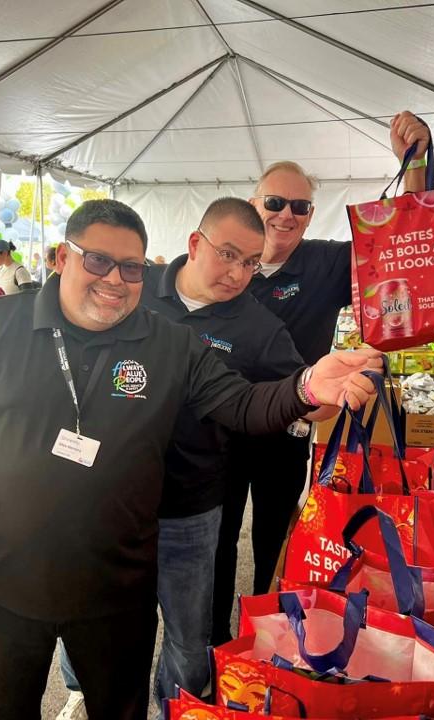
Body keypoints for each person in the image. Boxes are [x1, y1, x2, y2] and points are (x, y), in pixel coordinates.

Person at [0, 199, 380, 720]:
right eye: (98, 260)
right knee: (3, 710)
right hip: (10, 582)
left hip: (118, 591)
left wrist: (307, 385)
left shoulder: (169, 344)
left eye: (131, 267)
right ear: (63, 257)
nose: (115, 279)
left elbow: (243, 405)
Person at [211, 112, 432, 644]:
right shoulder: (222, 261)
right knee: (214, 544)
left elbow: (403, 239)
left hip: (288, 424)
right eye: (274, 203)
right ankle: (213, 641)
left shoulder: (324, 263)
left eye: (300, 206)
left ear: (310, 216)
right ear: (253, 203)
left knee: (275, 540)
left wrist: (417, 163)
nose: (285, 215)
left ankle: (261, 641)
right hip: (215, 427)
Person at [137, 197, 340, 711]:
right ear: (194, 244)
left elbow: (284, 394)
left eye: (250, 262)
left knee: (190, 632)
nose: (237, 273)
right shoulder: (135, 292)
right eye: (227, 254)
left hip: (195, 499)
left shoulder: (258, 326)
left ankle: (178, 706)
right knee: (105, 617)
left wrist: (319, 391)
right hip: (118, 495)